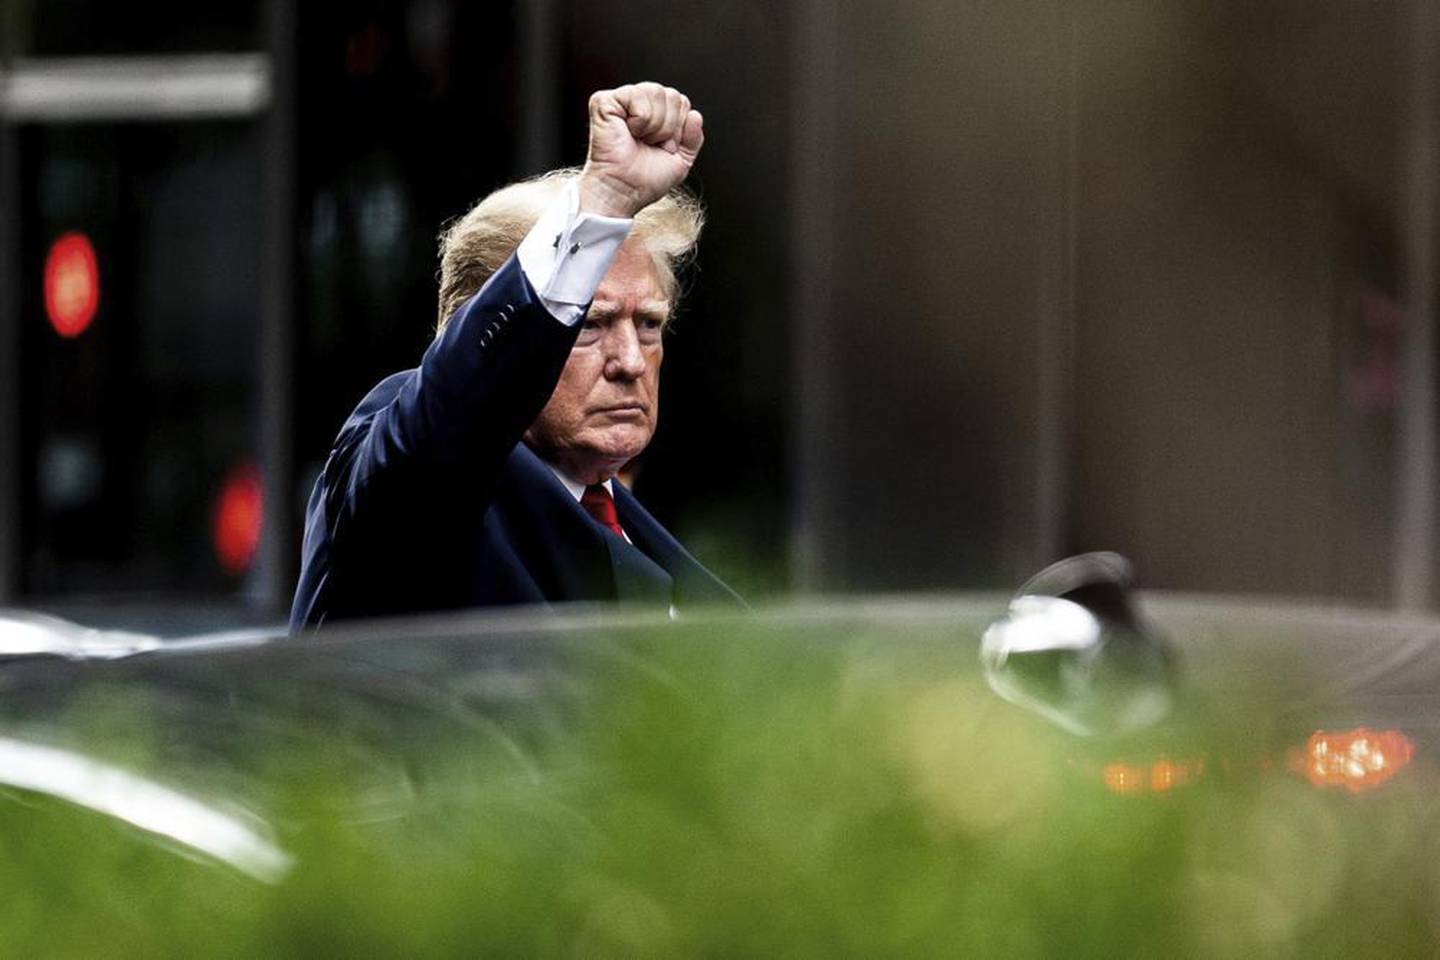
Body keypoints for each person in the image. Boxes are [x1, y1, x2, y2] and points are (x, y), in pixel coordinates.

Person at [290, 82, 742, 630]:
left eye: (648, 324)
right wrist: (601, 204)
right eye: (589, 325)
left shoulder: (628, 524)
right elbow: (452, 415)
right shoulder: (424, 477)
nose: (629, 360)